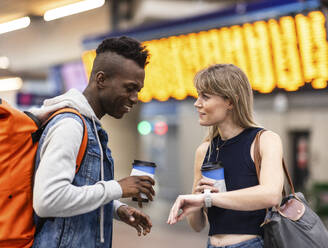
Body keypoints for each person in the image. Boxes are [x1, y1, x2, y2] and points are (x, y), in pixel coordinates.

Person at [30, 36, 155, 248]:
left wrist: (115, 208)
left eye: (138, 91)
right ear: (101, 79)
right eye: (129, 88)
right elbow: (48, 200)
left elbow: (80, 188)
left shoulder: (90, 127)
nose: (135, 98)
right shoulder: (70, 125)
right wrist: (117, 187)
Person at [167, 64, 284, 248]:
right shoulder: (205, 150)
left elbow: (271, 195)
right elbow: (197, 226)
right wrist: (196, 198)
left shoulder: (265, 140)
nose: (197, 103)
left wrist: (208, 199)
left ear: (230, 101)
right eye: (198, 96)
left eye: (205, 96)